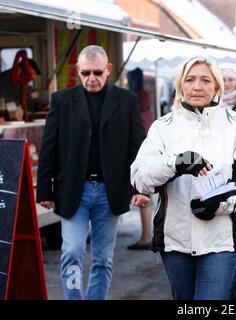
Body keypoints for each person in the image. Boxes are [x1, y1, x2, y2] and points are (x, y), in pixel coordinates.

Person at [130, 56, 236, 300]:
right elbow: (140, 179)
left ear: (217, 86)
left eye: (205, 80)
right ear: (180, 85)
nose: (197, 86)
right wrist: (175, 164)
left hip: (222, 240)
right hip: (174, 242)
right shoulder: (163, 126)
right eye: (190, 80)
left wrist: (218, 204)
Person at [37, 45, 149, 300]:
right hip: (73, 190)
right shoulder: (62, 100)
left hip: (111, 191)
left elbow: (139, 148)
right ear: (78, 71)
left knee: (102, 258)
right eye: (86, 72)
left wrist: (140, 188)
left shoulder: (126, 100)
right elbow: (49, 147)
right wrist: (45, 188)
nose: (91, 78)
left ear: (108, 69)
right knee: (73, 252)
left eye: (97, 72)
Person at [126, 67, 154, 250]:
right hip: (150, 164)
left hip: (141, 165)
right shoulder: (150, 115)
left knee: (144, 200)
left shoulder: (138, 117)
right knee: (146, 200)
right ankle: (147, 236)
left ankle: (146, 237)